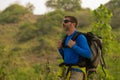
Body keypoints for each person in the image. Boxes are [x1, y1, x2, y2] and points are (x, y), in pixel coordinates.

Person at [57, 16, 92, 80]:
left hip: (77, 72)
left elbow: (88, 54)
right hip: (67, 71)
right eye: (63, 21)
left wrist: (74, 46)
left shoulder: (80, 37)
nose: (63, 23)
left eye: (66, 21)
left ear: (73, 24)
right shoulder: (66, 38)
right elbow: (66, 56)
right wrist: (60, 49)